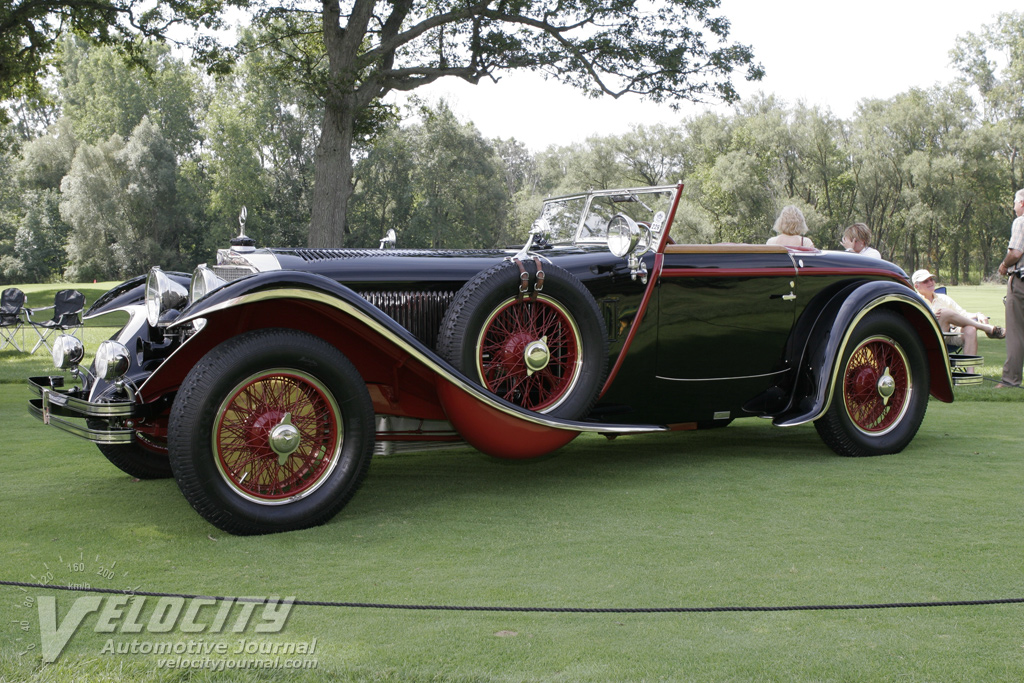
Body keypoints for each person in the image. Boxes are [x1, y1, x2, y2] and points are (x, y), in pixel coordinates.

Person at [912, 270, 1003, 374]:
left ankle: (970, 372)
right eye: (925, 281)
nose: (930, 282)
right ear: (917, 286)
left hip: (948, 335)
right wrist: (932, 316)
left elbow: (962, 315)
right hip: (928, 338)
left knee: (970, 329)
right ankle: (986, 328)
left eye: (931, 279)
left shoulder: (943, 298)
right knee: (944, 312)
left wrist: (978, 314)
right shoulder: (915, 301)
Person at [996, 188, 1024, 388]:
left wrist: (1005, 265)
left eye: (1015, 202)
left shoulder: (1021, 221)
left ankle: (1010, 380)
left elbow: (1015, 253)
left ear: (1022, 203)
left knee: (1015, 332)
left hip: (1020, 281)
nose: (1014, 207)